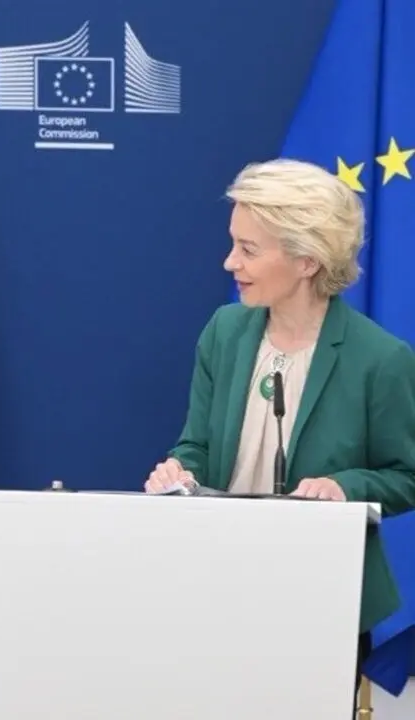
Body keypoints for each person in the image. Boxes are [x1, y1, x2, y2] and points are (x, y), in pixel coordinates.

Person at [144, 158, 415, 702]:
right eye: (234, 244)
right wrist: (180, 472)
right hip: (217, 581)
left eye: (248, 249)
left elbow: (406, 475)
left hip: (322, 593)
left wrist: (344, 487)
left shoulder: (380, 359)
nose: (230, 262)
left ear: (307, 260)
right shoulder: (224, 331)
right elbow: (196, 443)